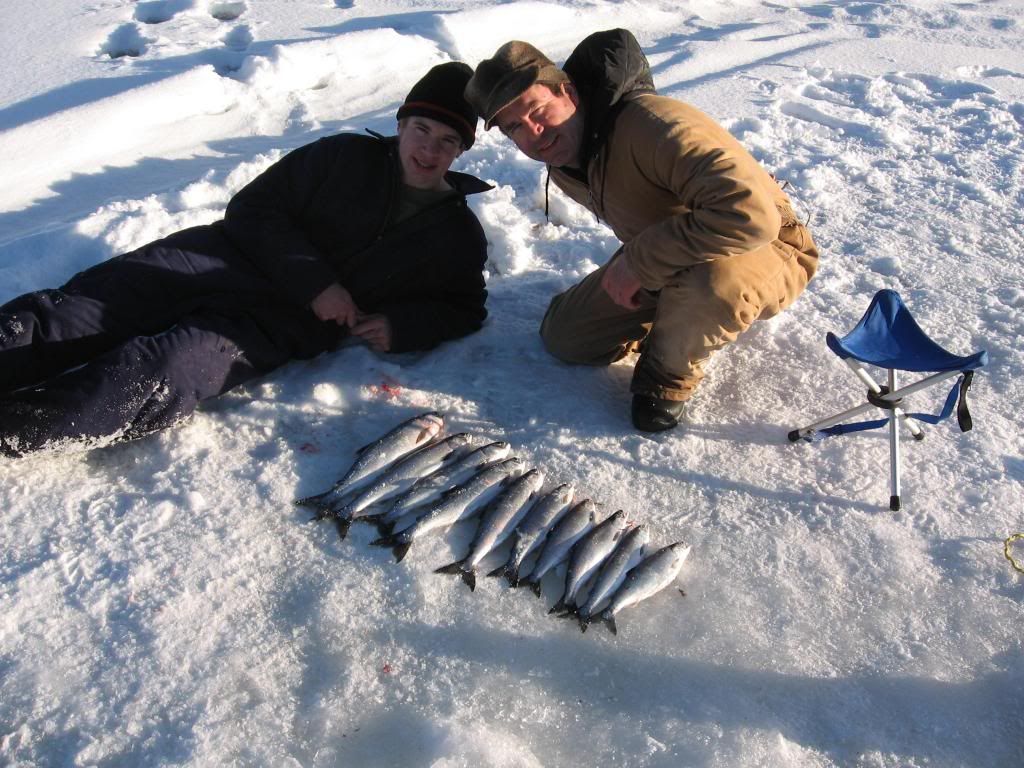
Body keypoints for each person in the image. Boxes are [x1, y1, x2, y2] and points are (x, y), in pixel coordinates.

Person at [0, 62, 490, 459]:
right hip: (216, 258)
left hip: (275, 325)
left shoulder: (457, 235)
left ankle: (15, 430)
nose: (429, 148)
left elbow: (464, 306)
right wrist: (317, 282)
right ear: (400, 125)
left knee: (166, 370)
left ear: (461, 150)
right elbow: (253, 209)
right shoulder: (342, 155)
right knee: (76, 313)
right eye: (421, 128)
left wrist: (401, 325)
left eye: (448, 140)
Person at [465, 30, 819, 432]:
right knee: (567, 338)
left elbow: (752, 215)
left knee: (715, 288)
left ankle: (667, 373)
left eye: (538, 111)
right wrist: (641, 265)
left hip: (770, 245)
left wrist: (638, 262)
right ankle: (676, 312)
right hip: (677, 248)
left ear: (568, 93)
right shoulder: (566, 160)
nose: (533, 134)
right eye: (515, 128)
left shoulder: (652, 124)